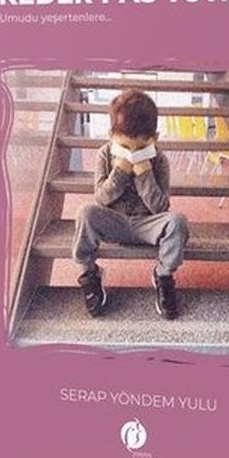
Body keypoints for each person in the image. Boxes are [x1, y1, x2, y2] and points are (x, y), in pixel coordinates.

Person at [72, 88, 190, 320]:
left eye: (141, 148)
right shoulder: (104, 154)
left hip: (148, 224)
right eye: (125, 147)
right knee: (85, 212)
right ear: (111, 135)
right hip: (115, 222)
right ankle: (90, 274)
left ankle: (163, 275)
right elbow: (101, 198)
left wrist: (145, 174)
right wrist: (119, 172)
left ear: (154, 138)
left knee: (178, 221)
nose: (132, 153)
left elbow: (161, 207)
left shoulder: (160, 160)